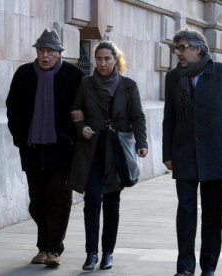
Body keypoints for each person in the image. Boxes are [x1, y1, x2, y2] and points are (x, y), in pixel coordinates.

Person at [162, 27, 222, 276]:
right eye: (176, 48)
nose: (178, 52)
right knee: (185, 213)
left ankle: (208, 267)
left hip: (215, 155)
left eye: (183, 47)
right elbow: (169, 118)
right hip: (184, 154)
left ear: (198, 49)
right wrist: (167, 153)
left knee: (212, 215)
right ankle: (185, 267)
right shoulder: (173, 77)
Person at [6, 28, 85, 267]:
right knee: (37, 202)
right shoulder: (23, 74)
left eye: (50, 51)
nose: (45, 56)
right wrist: (20, 137)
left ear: (60, 53)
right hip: (32, 149)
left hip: (61, 150)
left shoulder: (74, 76)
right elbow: (13, 108)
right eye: (41, 51)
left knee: (59, 199)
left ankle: (53, 249)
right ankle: (43, 246)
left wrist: (72, 137)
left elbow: (82, 108)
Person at [68, 41, 148, 271]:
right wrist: (81, 126)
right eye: (99, 59)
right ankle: (91, 253)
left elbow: (138, 117)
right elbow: (75, 111)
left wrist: (141, 143)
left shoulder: (128, 86)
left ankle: (108, 253)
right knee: (91, 202)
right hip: (91, 151)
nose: (102, 64)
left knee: (112, 204)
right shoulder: (86, 83)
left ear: (116, 60)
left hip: (117, 153)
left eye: (107, 59)